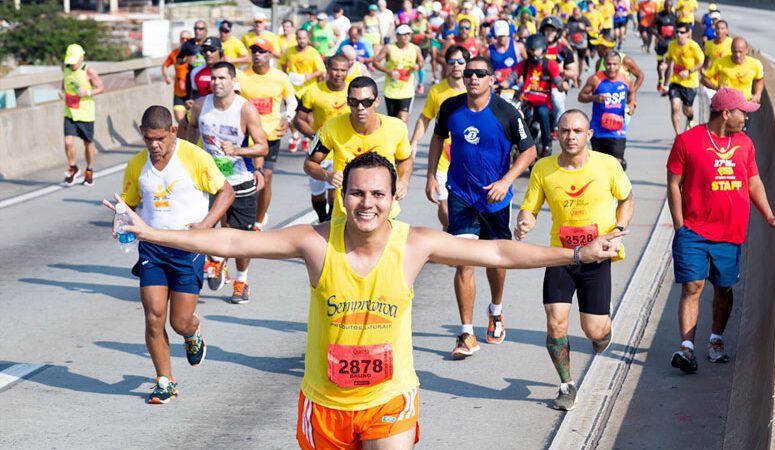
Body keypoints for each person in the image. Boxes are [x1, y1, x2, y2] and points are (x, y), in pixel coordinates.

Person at [109, 151, 624, 446]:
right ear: (342, 195)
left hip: (389, 398)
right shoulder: (314, 242)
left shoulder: (416, 244)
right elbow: (230, 241)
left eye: (378, 194)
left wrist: (574, 257)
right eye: (357, 192)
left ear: (394, 198)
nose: (367, 203)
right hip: (325, 404)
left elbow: (498, 252)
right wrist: (151, 233)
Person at [104, 105, 234, 404]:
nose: (154, 145)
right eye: (148, 139)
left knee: (180, 321)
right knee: (153, 317)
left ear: (173, 132)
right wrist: (120, 219)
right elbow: (128, 204)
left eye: (160, 139)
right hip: (152, 249)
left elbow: (226, 192)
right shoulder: (137, 165)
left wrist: (205, 225)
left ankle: (192, 334)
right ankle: (165, 380)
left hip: (188, 248)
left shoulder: (193, 157)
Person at [666, 88, 775, 373]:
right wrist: (680, 227)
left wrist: (770, 216)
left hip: (730, 234)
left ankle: (715, 339)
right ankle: (686, 348)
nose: (747, 118)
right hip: (694, 231)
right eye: (743, 112)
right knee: (693, 286)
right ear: (726, 113)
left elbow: (754, 183)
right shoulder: (687, 141)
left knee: (724, 288)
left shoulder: (745, 144)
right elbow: (674, 184)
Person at [515, 109, 633, 411]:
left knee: (594, 331)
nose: (570, 136)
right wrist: (524, 221)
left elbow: (627, 198)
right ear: (557, 133)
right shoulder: (544, 168)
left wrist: (618, 230)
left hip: (597, 255)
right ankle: (566, 384)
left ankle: (603, 330)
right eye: (565, 131)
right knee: (556, 324)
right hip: (561, 256)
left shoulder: (607, 165)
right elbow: (530, 206)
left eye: (577, 131)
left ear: (589, 135)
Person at [427, 56, 537, 358]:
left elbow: (529, 152)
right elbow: (437, 139)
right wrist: (431, 176)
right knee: (464, 262)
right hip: (460, 194)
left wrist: (506, 181)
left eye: (480, 73)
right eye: (468, 73)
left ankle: (496, 310)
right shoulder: (451, 107)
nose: (472, 78)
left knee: (496, 261)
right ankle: (466, 333)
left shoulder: (506, 112)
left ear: (492, 79)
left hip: (495, 198)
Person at [187, 62, 269, 303]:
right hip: (209, 180)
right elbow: (191, 129)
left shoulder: (245, 110)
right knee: (205, 227)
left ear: (233, 81)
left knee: (242, 237)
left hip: (240, 179)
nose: (216, 83)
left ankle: (241, 279)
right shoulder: (201, 105)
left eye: (222, 78)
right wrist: (190, 157)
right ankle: (216, 259)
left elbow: (262, 145)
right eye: (213, 78)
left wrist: (238, 151)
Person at [304, 76, 413, 219]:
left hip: (384, 213)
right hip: (345, 214)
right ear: (348, 102)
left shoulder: (396, 127)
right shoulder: (331, 128)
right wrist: (327, 175)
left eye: (367, 102)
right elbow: (309, 164)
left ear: (376, 101)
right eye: (354, 102)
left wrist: (403, 181)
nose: (360, 107)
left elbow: (405, 158)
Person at [238, 39, 296, 231]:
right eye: (254, 51)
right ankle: (245, 214)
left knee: (267, 177)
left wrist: (287, 116)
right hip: (246, 136)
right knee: (249, 179)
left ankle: (258, 220)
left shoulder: (280, 77)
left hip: (271, 135)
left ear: (270, 55)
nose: (257, 55)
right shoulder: (241, 76)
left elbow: (292, 101)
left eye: (262, 51)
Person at [409, 45, 468, 228]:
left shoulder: (475, 88)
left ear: (467, 64)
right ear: (446, 65)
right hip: (444, 157)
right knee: (445, 209)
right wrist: (414, 141)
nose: (456, 65)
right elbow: (425, 118)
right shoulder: (437, 91)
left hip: (469, 156)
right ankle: (449, 232)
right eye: (452, 62)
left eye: (460, 62)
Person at [294, 54, 351, 222]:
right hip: (319, 153)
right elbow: (299, 120)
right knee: (317, 195)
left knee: (336, 191)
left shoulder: (352, 92)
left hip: (343, 151)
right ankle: (322, 218)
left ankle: (330, 222)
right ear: (327, 69)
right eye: (335, 69)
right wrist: (316, 137)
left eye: (343, 70)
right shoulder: (313, 91)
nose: (339, 74)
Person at [502, 33, 567, 158]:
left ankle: (547, 144)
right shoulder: (524, 64)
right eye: (530, 50)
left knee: (542, 112)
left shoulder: (550, 64)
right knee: (511, 112)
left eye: (535, 50)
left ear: (543, 49)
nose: (533, 53)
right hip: (525, 99)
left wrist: (561, 85)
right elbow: (511, 78)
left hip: (543, 100)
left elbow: (557, 79)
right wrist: (498, 85)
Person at [578, 51, 633, 170]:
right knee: (599, 166)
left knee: (617, 164)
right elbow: (581, 96)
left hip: (618, 131)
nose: (612, 68)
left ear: (620, 65)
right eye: (608, 64)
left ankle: (615, 187)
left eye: (615, 64)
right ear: (604, 64)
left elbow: (631, 95)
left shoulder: (626, 80)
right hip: (598, 130)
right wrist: (595, 98)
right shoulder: (595, 79)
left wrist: (632, 106)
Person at [61, 43, 105, 186]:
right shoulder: (65, 68)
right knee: (68, 141)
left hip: (85, 113)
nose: (72, 64)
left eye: (74, 61)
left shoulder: (89, 71)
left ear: (81, 58)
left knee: (88, 143)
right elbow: (65, 82)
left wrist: (87, 92)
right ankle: (73, 167)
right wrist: (62, 91)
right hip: (69, 111)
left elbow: (101, 88)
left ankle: (89, 170)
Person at [279, 29, 326, 153]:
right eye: (299, 38)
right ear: (296, 38)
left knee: (309, 117)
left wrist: (309, 76)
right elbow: (282, 63)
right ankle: (295, 136)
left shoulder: (313, 52)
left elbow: (321, 70)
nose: (302, 41)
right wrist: (287, 74)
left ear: (308, 39)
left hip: (308, 90)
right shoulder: (289, 51)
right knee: (291, 115)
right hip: (292, 89)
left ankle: (307, 137)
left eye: (304, 38)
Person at [372, 25, 424, 123]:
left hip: (407, 89)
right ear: (397, 36)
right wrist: (389, 71)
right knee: (393, 120)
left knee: (403, 117)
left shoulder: (415, 48)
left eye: (408, 34)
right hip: (391, 89)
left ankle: (403, 137)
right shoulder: (389, 48)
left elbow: (421, 62)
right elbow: (375, 62)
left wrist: (417, 66)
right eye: (403, 34)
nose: (406, 37)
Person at [664, 23, 704, 135]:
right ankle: (678, 135)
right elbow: (669, 59)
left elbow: (701, 62)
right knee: (674, 107)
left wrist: (689, 71)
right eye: (677, 32)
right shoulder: (672, 45)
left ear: (688, 34)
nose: (679, 34)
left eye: (682, 32)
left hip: (690, 83)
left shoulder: (693, 46)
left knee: (687, 110)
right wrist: (665, 65)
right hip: (676, 81)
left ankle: (691, 118)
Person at [702, 37, 764, 104]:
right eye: (735, 51)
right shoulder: (720, 62)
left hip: (744, 104)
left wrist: (758, 94)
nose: (737, 55)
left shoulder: (755, 64)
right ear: (731, 49)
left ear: (746, 51)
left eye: (740, 52)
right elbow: (704, 79)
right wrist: (716, 87)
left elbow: (759, 79)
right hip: (725, 104)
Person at [162, 31, 193, 124]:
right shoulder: (175, 53)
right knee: (180, 119)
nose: (184, 40)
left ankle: (190, 136)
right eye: (182, 39)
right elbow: (164, 66)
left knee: (191, 120)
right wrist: (167, 77)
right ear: (180, 40)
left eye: (187, 39)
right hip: (178, 92)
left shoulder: (195, 53)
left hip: (191, 93)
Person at [653, 0, 677, 95]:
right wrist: (658, 36)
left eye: (669, 6)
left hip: (670, 44)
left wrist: (675, 38)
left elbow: (677, 29)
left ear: (671, 6)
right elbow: (650, 28)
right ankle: (660, 78)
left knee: (669, 64)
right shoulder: (658, 16)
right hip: (660, 44)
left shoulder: (674, 17)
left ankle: (666, 86)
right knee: (660, 64)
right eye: (666, 6)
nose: (667, 8)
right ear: (664, 6)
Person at [565, 7, 593, 86]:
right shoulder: (570, 19)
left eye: (577, 14)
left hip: (582, 44)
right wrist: (566, 30)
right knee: (574, 60)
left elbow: (591, 28)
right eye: (574, 14)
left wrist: (584, 28)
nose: (575, 15)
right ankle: (574, 78)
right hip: (572, 43)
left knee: (581, 61)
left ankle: (579, 76)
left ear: (580, 13)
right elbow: (567, 27)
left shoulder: (584, 19)